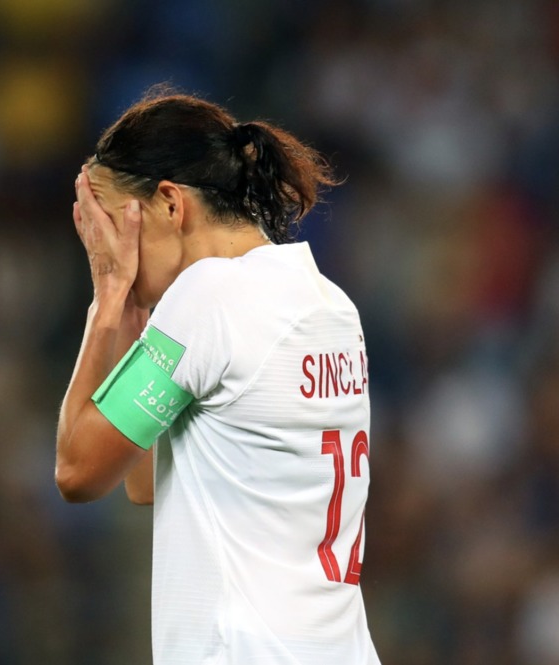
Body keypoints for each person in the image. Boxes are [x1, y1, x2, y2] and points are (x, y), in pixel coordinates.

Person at [55, 90, 380, 664]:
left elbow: (78, 472)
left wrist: (107, 301)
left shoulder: (209, 298)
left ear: (170, 204)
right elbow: (146, 479)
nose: (107, 246)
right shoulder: (330, 304)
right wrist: (138, 315)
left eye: (110, 220)